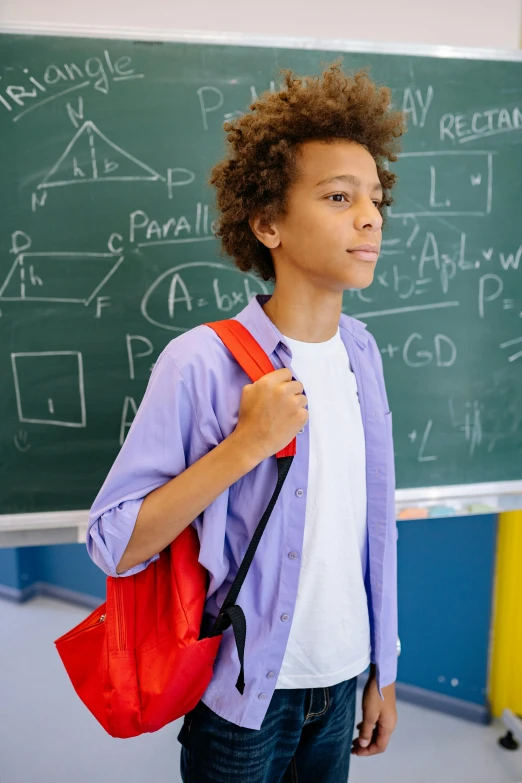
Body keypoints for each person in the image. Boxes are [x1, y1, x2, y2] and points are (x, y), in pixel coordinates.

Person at [86, 61, 406, 782]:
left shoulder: (363, 353)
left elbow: (372, 525)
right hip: (242, 696)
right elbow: (113, 543)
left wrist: (382, 666)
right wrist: (246, 445)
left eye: (375, 199)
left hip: (346, 677)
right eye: (337, 196)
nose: (370, 217)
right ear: (267, 223)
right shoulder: (199, 362)